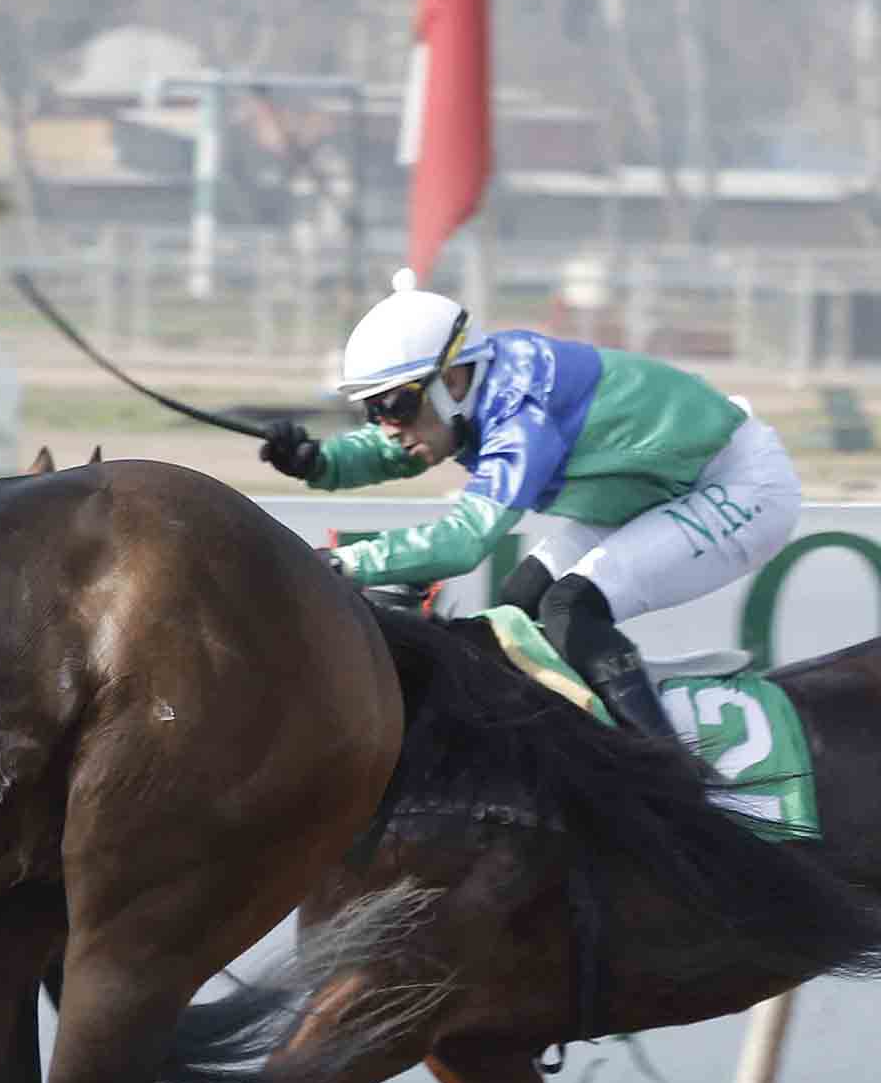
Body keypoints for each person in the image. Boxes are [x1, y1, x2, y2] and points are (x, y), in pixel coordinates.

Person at [259, 270, 802, 744]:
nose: (387, 426)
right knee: (519, 606)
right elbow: (405, 448)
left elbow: (464, 541)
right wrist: (319, 462)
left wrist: (345, 563)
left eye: (395, 404)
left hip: (740, 486)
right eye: (372, 410)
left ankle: (671, 775)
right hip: (662, 489)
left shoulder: (522, 411)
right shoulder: (475, 390)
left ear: (452, 380)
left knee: (570, 608)